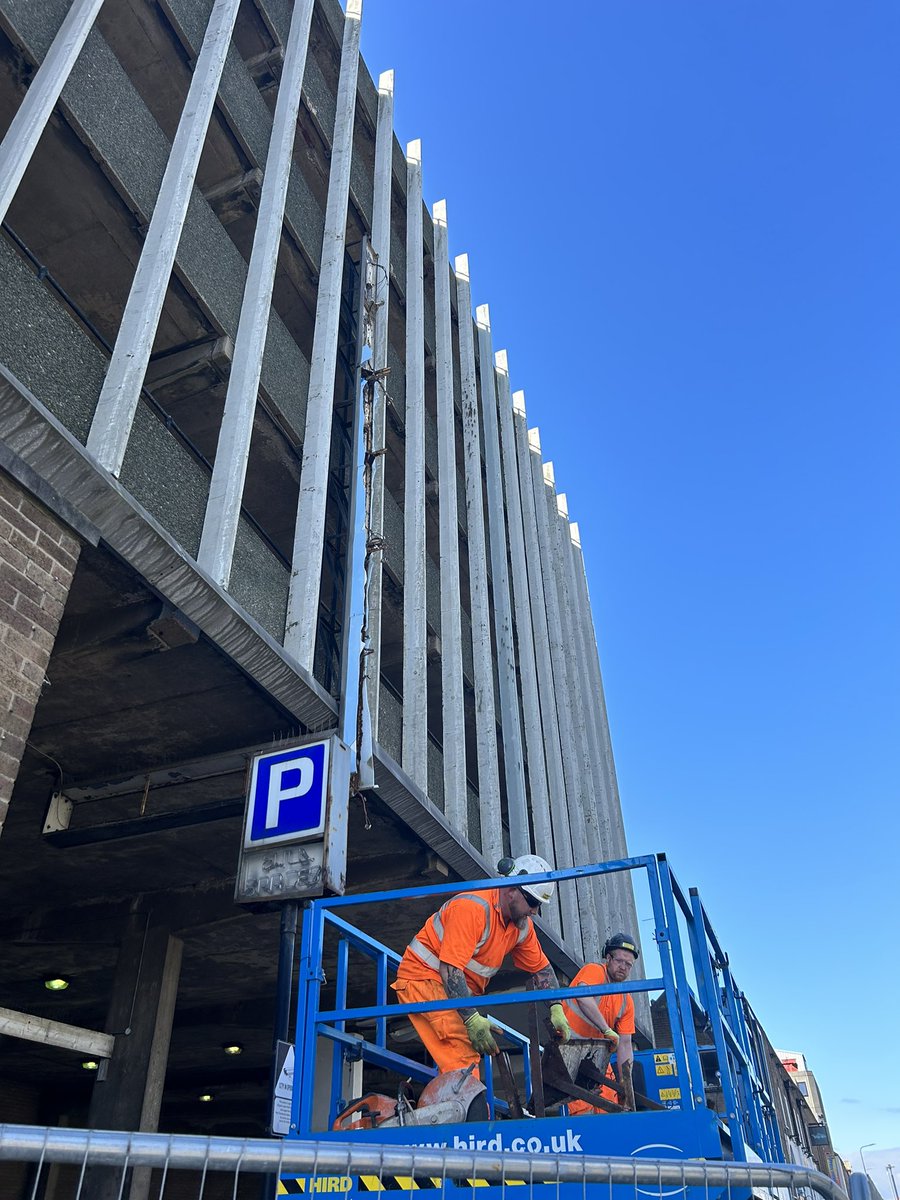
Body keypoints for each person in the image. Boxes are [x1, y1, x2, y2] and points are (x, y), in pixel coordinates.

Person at [392, 854, 572, 1074]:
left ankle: (454, 1103)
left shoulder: (521, 927)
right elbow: (450, 970)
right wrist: (471, 1020)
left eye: (539, 905)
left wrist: (556, 1007)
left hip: (450, 992)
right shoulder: (472, 908)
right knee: (464, 1055)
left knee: (466, 1054)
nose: (534, 911)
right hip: (423, 979)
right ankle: (467, 1106)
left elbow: (542, 969)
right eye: (533, 902)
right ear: (512, 888)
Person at [559, 932, 639, 1114]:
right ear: (608, 958)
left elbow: (625, 1044)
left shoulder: (626, 999)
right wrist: (606, 1029)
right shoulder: (594, 971)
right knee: (582, 1111)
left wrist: (626, 1084)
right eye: (619, 961)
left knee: (611, 1108)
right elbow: (583, 998)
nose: (623, 967)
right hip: (570, 1054)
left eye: (628, 964)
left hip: (597, 1059)